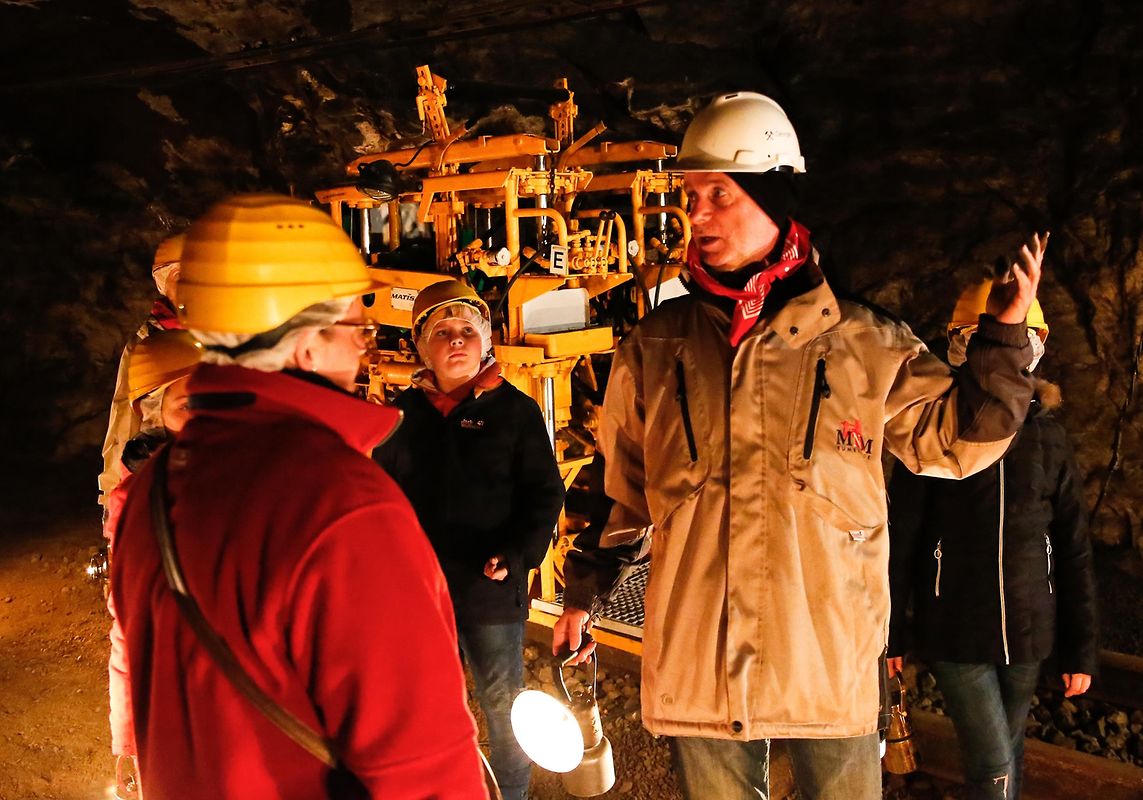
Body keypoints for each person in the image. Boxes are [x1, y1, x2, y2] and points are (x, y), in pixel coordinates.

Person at [553, 91, 1046, 800]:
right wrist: (584, 594)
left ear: (771, 196)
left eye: (717, 193)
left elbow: (958, 442)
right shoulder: (654, 350)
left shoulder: (864, 345)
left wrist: (1001, 342)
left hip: (826, 660)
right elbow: (620, 491)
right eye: (691, 194)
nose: (695, 215)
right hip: (700, 656)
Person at [109, 194, 487, 799]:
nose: (366, 343)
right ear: (305, 344)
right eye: (353, 324)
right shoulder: (343, 506)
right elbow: (423, 769)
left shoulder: (149, 494)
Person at [886, 281, 1097, 799]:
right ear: (960, 343)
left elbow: (1073, 545)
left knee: (1008, 750)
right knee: (993, 760)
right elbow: (903, 534)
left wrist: (1081, 650)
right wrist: (890, 633)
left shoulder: (1048, 436)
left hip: (1027, 632)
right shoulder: (935, 429)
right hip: (954, 629)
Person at [374, 279, 565, 800]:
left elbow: (545, 494)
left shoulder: (515, 412)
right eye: (442, 332)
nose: (456, 341)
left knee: (504, 707)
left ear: (486, 341)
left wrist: (519, 554)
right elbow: (377, 501)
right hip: (420, 596)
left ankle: (512, 795)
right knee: (429, 707)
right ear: (420, 346)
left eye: (466, 331)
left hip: (489, 593)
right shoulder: (401, 417)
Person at [104, 328, 203, 799]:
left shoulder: (233, 476)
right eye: (187, 405)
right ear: (152, 412)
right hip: (174, 700)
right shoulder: (136, 505)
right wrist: (128, 738)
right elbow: (128, 630)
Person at [98, 233, 185, 512]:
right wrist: (111, 495)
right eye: (180, 276)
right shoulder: (145, 341)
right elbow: (123, 418)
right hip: (156, 461)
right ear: (163, 284)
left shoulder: (228, 335)